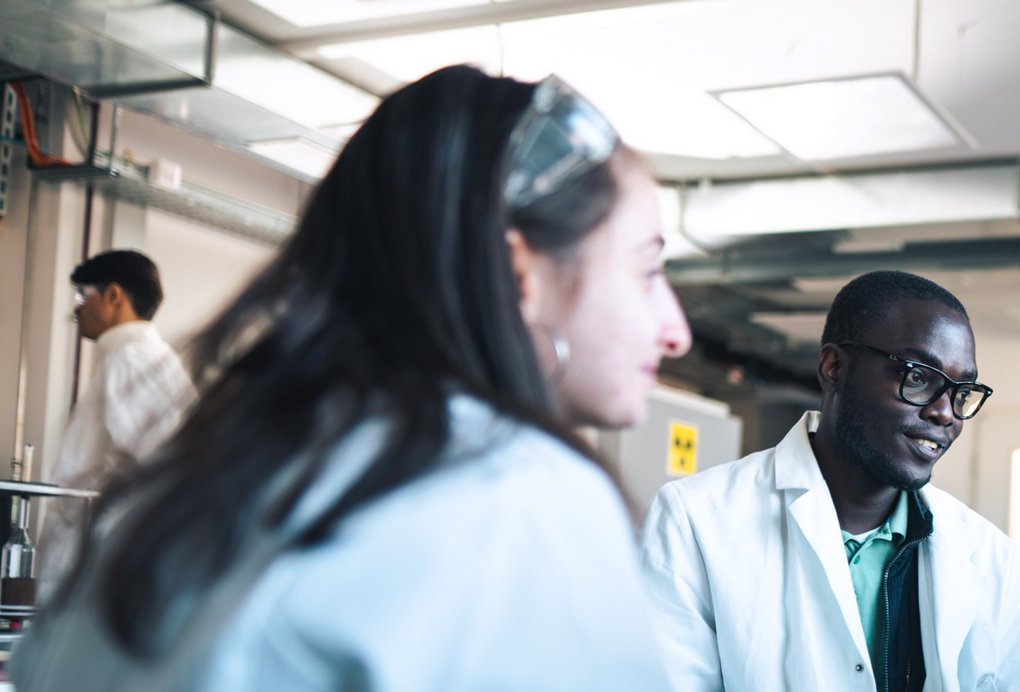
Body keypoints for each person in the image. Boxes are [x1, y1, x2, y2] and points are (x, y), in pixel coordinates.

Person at [10, 65, 691, 690]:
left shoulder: (175, 492)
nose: (676, 331)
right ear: (521, 277)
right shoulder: (518, 498)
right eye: (649, 270)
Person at [634, 270, 1020, 691]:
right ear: (834, 368)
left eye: (961, 391)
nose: (945, 413)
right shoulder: (695, 521)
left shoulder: (991, 560)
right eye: (918, 377)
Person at [37, 249, 195, 594]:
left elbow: (156, 469)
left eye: (83, 294)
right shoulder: (150, 359)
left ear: (113, 295)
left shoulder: (130, 361)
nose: (77, 308)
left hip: (95, 574)